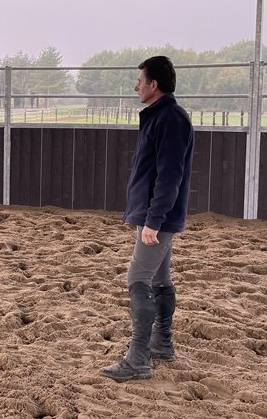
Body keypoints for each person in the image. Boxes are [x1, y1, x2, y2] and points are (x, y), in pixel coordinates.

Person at [101, 55, 194, 382]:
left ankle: (138, 359)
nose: (136, 86)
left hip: (158, 216)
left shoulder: (169, 119)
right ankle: (161, 344)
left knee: (137, 279)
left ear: (153, 85)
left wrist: (154, 220)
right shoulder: (162, 117)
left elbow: (170, 176)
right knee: (159, 279)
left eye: (140, 81)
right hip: (156, 213)